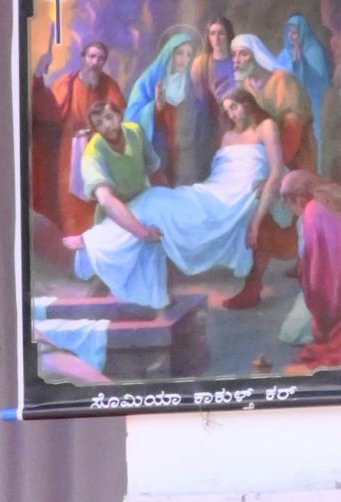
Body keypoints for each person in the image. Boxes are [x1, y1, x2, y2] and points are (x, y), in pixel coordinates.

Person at [66, 88, 283, 311]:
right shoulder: (228, 136)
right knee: (155, 201)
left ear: (247, 104)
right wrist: (154, 219)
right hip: (213, 191)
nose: (231, 114)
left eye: (234, 108)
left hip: (236, 196)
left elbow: (276, 171)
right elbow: (221, 173)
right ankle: (95, 243)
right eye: (227, 110)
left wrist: (260, 200)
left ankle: (93, 241)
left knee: (157, 201)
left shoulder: (266, 126)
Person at [224, 34, 315, 304]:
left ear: (256, 55)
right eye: (234, 55)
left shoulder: (283, 81)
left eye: (243, 54)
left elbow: (292, 129)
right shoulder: (249, 86)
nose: (237, 60)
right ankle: (255, 284)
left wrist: (276, 174)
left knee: (294, 219)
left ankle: (256, 286)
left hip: (296, 160)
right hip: (271, 161)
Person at [32, 37, 126, 235]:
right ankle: (72, 238)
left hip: (97, 149)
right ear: (83, 58)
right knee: (69, 199)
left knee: (95, 196)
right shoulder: (66, 83)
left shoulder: (109, 85)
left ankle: (93, 240)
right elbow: (46, 109)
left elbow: (118, 113)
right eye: (92, 57)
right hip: (69, 150)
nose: (95, 62)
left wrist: (98, 130)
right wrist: (38, 77)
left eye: (100, 59)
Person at [127, 28, 219, 185]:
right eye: (179, 53)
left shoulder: (191, 83)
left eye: (189, 55)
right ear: (169, 53)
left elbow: (201, 115)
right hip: (158, 149)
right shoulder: (148, 81)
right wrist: (156, 107)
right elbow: (131, 118)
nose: (184, 59)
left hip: (184, 151)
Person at [68, 100, 162, 242]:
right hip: (114, 220)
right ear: (95, 130)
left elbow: (155, 171)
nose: (107, 125)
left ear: (119, 116)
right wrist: (144, 233)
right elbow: (106, 200)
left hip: (143, 204)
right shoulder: (92, 154)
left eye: (109, 117)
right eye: (99, 123)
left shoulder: (135, 131)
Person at [281, 169, 341, 367]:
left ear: (295, 198)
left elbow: (318, 271)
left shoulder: (313, 213)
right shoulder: (330, 199)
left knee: (292, 333)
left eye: (287, 202)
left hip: (333, 291)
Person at [278, 14, 332, 150]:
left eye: (295, 33)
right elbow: (277, 77)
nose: (291, 36)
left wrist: (302, 63)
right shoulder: (284, 54)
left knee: (312, 141)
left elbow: (320, 80)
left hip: (312, 104)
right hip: (290, 107)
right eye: (289, 32)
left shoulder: (315, 51)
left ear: (302, 32)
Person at [193, 15, 237, 103]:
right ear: (208, 37)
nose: (216, 39)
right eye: (212, 34)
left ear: (228, 35)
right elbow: (194, 93)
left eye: (221, 33)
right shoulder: (200, 63)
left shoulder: (237, 61)